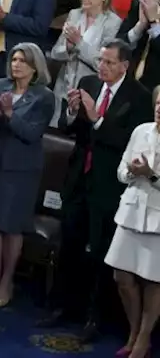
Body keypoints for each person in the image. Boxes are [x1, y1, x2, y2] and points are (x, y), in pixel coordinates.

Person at [43, 39, 151, 341]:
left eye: (109, 63)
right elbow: (72, 131)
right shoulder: (89, 83)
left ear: (124, 66)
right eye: (101, 60)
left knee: (100, 252)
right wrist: (72, 113)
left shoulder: (138, 97)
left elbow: (126, 143)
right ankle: (62, 307)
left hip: (108, 185)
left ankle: (95, 317)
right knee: (70, 244)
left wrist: (96, 119)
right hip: (78, 179)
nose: (101, 66)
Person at [0, 43, 56, 307]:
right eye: (14, 59)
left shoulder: (44, 96)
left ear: (35, 67)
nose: (16, 64)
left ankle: (7, 281)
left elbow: (33, 134)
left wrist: (10, 116)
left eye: (22, 60)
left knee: (11, 226)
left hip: (21, 169)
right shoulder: (1, 85)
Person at [105, 85, 160, 358]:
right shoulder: (142, 130)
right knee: (122, 276)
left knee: (154, 281)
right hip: (131, 210)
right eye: (159, 103)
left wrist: (151, 175)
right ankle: (134, 330)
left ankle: (142, 340)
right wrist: (131, 171)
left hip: (158, 219)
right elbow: (120, 171)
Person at [49, 0, 123, 125]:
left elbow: (103, 64)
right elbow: (55, 53)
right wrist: (68, 48)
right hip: (63, 89)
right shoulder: (74, 15)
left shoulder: (113, 23)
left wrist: (79, 43)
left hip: (89, 93)